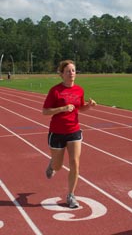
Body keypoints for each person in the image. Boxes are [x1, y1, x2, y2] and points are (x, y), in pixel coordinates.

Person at [42, 60, 97, 208]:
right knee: (58, 166)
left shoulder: (79, 90)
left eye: (73, 70)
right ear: (61, 74)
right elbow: (45, 111)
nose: (71, 73)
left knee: (75, 162)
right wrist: (62, 108)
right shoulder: (55, 91)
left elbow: (80, 108)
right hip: (57, 132)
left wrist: (89, 106)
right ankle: (52, 164)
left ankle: (71, 195)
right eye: (68, 71)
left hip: (74, 131)